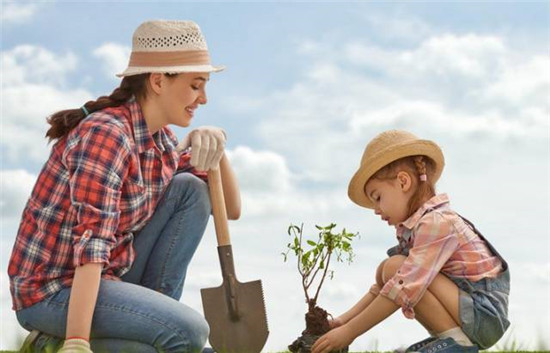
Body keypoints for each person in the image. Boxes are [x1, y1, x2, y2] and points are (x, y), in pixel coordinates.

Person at [8, 20, 240, 353]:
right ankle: (54, 342)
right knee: (190, 330)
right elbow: (93, 244)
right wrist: (77, 342)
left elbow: (229, 210)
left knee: (191, 188)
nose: (203, 98)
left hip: (109, 281)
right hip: (54, 291)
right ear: (158, 81)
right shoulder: (107, 134)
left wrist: (218, 149)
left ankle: (154, 328)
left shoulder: (162, 144)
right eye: (195, 85)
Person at [312, 130, 510, 353]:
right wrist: (343, 322)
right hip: (469, 311)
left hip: (484, 316)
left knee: (397, 269)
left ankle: (457, 345)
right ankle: (450, 340)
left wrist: (349, 333)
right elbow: (383, 287)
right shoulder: (416, 227)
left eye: (377, 197)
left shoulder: (437, 222)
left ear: (403, 182)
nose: (376, 210)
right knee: (388, 269)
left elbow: (403, 287)